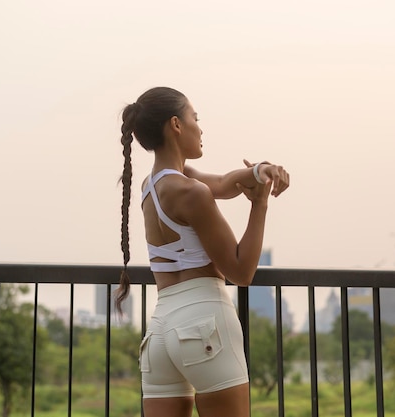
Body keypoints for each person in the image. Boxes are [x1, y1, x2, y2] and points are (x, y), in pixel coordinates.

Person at [116, 86, 289, 417]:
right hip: (205, 324)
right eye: (195, 117)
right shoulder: (191, 191)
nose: (201, 127)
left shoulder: (152, 186)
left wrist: (259, 170)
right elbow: (241, 271)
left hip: (161, 331)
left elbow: (224, 182)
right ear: (176, 125)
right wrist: (259, 204)